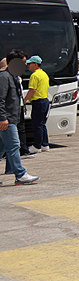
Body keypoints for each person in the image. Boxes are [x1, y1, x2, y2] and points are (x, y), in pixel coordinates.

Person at [0, 50, 39, 184]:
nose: (25, 65)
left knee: (3, 148)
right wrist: (2, 118)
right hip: (6, 119)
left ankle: (13, 170)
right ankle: (20, 175)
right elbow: (0, 100)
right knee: (14, 145)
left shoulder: (14, 77)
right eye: (23, 62)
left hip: (13, 118)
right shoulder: (4, 77)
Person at [23, 55, 50, 154]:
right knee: (42, 124)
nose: (28, 65)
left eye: (29, 64)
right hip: (45, 101)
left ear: (35, 64)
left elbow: (32, 90)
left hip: (38, 102)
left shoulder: (34, 75)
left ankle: (37, 146)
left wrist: (25, 99)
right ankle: (45, 144)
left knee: (36, 124)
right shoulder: (44, 74)